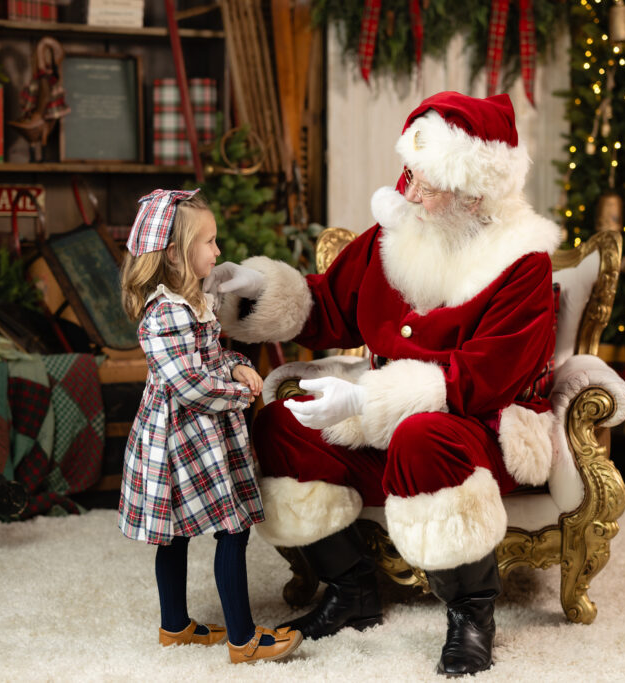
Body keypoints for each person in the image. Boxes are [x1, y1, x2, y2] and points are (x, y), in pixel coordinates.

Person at [203, 92, 562, 675]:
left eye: (426, 182)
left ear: (473, 192)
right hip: (382, 424)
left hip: (476, 432)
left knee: (423, 436)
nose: (409, 193)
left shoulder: (522, 263)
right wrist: (254, 290)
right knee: (279, 429)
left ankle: (472, 612)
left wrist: (369, 399)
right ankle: (351, 589)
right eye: (409, 173)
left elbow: (483, 381)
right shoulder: (394, 233)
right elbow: (326, 307)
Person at [117, 188, 302, 665]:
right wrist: (243, 393)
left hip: (199, 434)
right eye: (210, 242)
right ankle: (242, 640)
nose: (218, 252)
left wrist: (237, 362)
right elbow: (190, 385)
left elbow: (210, 357)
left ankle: (175, 625)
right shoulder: (163, 314)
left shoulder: (193, 301)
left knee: (179, 532)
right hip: (181, 438)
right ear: (176, 253)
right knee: (229, 527)